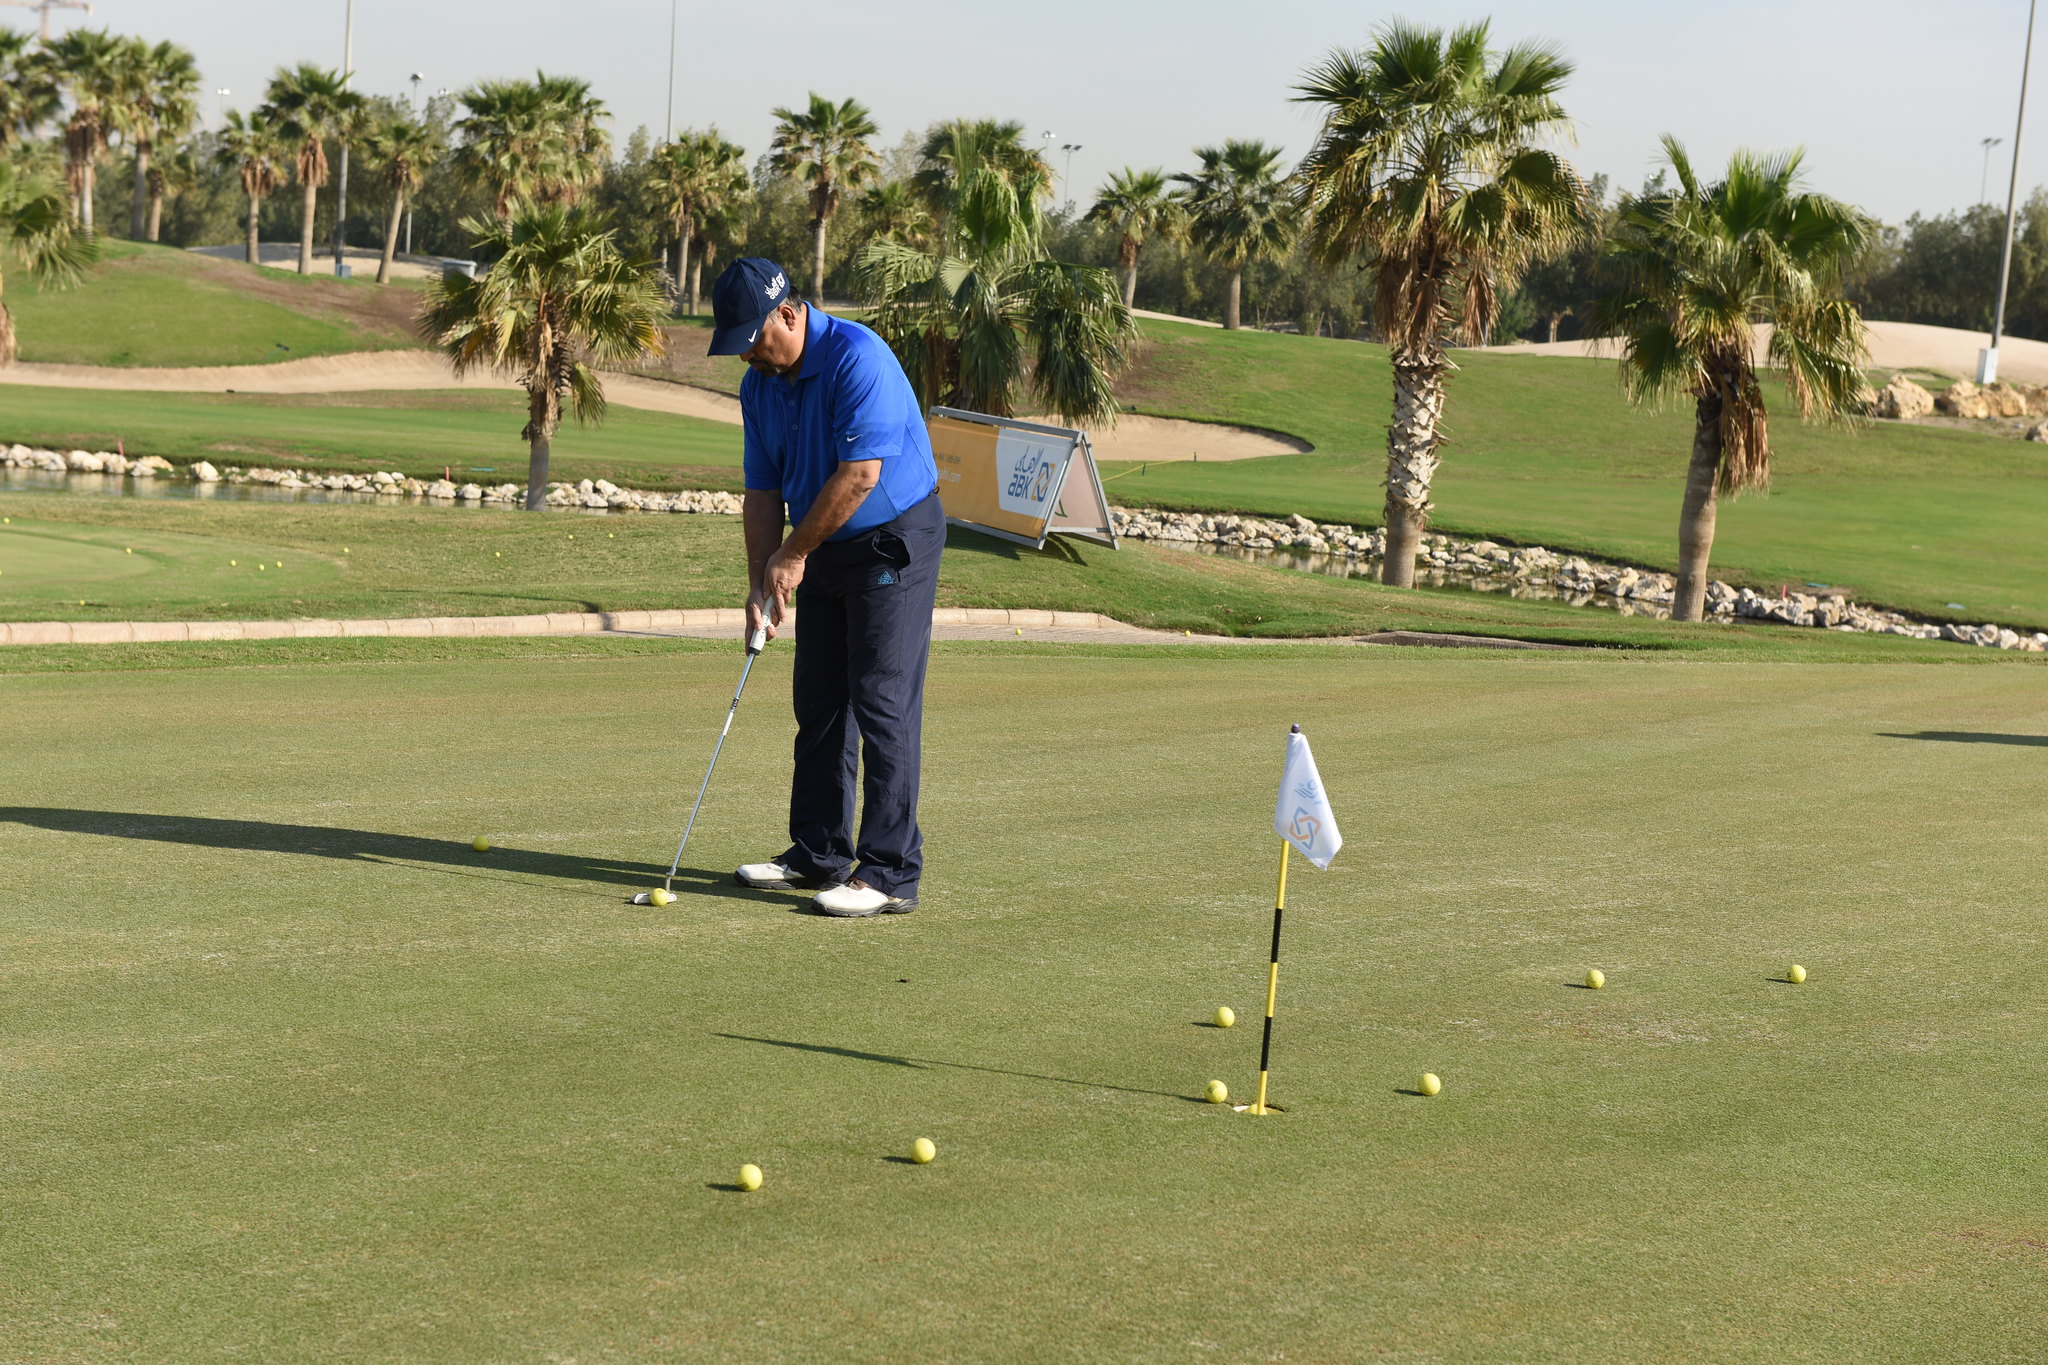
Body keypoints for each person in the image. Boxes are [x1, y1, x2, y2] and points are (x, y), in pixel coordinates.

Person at [706, 257, 943, 917]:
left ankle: (891, 871)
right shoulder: (760, 387)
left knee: (880, 697)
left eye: (754, 338)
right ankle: (817, 853)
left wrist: (793, 553)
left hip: (892, 539)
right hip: (820, 539)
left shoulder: (857, 357)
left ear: (789, 311)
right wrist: (761, 580)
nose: (749, 353)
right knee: (818, 698)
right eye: (737, 346)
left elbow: (861, 476)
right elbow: (762, 492)